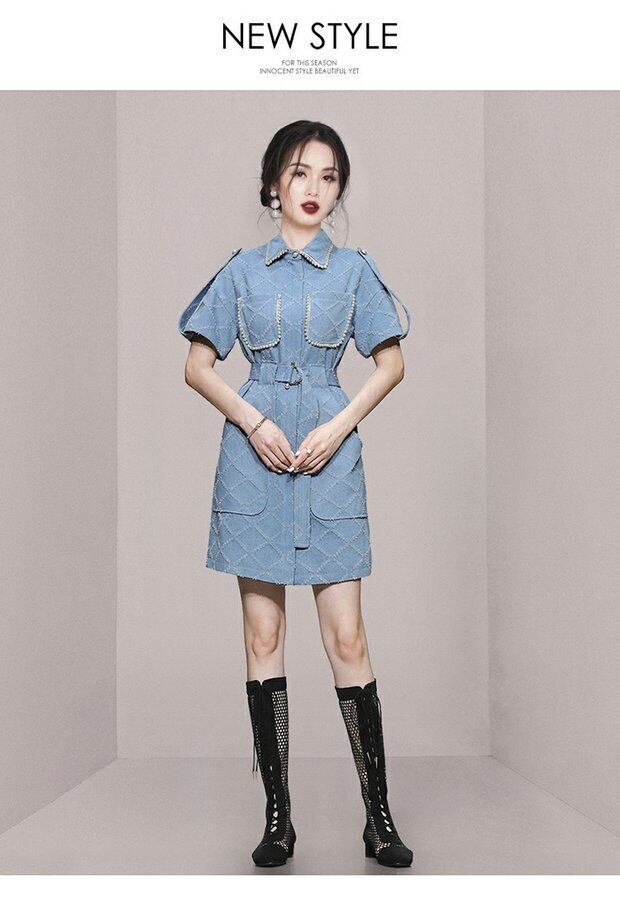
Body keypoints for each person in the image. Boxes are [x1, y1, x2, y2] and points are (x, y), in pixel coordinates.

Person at [178, 120, 414, 869]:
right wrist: (252, 422)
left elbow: (390, 364)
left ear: (338, 191)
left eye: (329, 177)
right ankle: (278, 819)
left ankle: (379, 818)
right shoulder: (241, 272)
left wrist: (340, 427)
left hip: (329, 461)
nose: (314, 189)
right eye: (300, 172)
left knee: (347, 639)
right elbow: (197, 365)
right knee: (263, 639)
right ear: (273, 182)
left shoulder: (355, 273)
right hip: (255, 462)